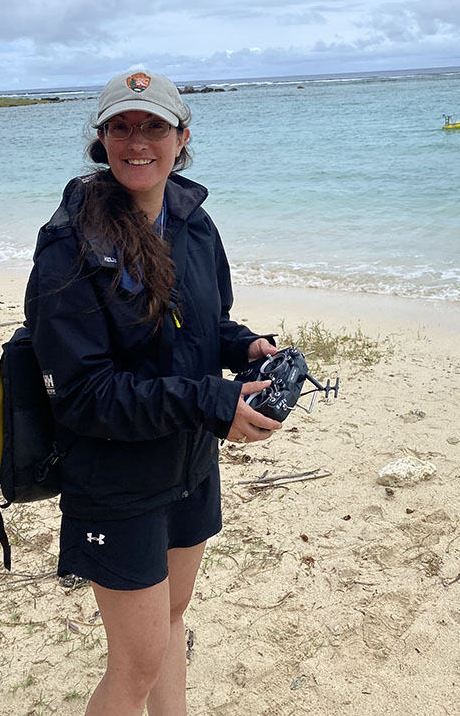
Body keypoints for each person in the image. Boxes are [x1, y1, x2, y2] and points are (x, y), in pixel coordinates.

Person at [24, 68, 282, 716]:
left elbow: (206, 324)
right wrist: (213, 402)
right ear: (102, 141)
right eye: (121, 126)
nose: (138, 140)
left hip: (190, 464)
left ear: (181, 137)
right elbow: (85, 395)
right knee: (134, 663)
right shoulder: (69, 244)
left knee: (172, 617)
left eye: (154, 126)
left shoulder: (195, 223)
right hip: (115, 479)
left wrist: (248, 346)